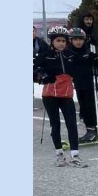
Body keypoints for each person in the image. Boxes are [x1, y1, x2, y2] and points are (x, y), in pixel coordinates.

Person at [34, 26, 87, 167]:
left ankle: (75, 155)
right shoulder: (45, 55)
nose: (61, 43)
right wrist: (42, 76)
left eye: (64, 41)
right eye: (58, 41)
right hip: (50, 95)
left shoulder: (70, 55)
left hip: (66, 95)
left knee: (72, 124)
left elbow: (81, 66)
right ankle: (59, 154)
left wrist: (94, 60)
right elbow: (35, 70)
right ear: (52, 41)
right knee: (55, 125)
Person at [66, 27, 98, 144]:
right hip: (77, 83)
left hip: (89, 83)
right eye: (75, 39)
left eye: (80, 39)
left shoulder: (88, 51)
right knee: (83, 107)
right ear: (70, 40)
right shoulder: (69, 52)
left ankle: (92, 130)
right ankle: (88, 129)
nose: (78, 42)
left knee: (90, 107)